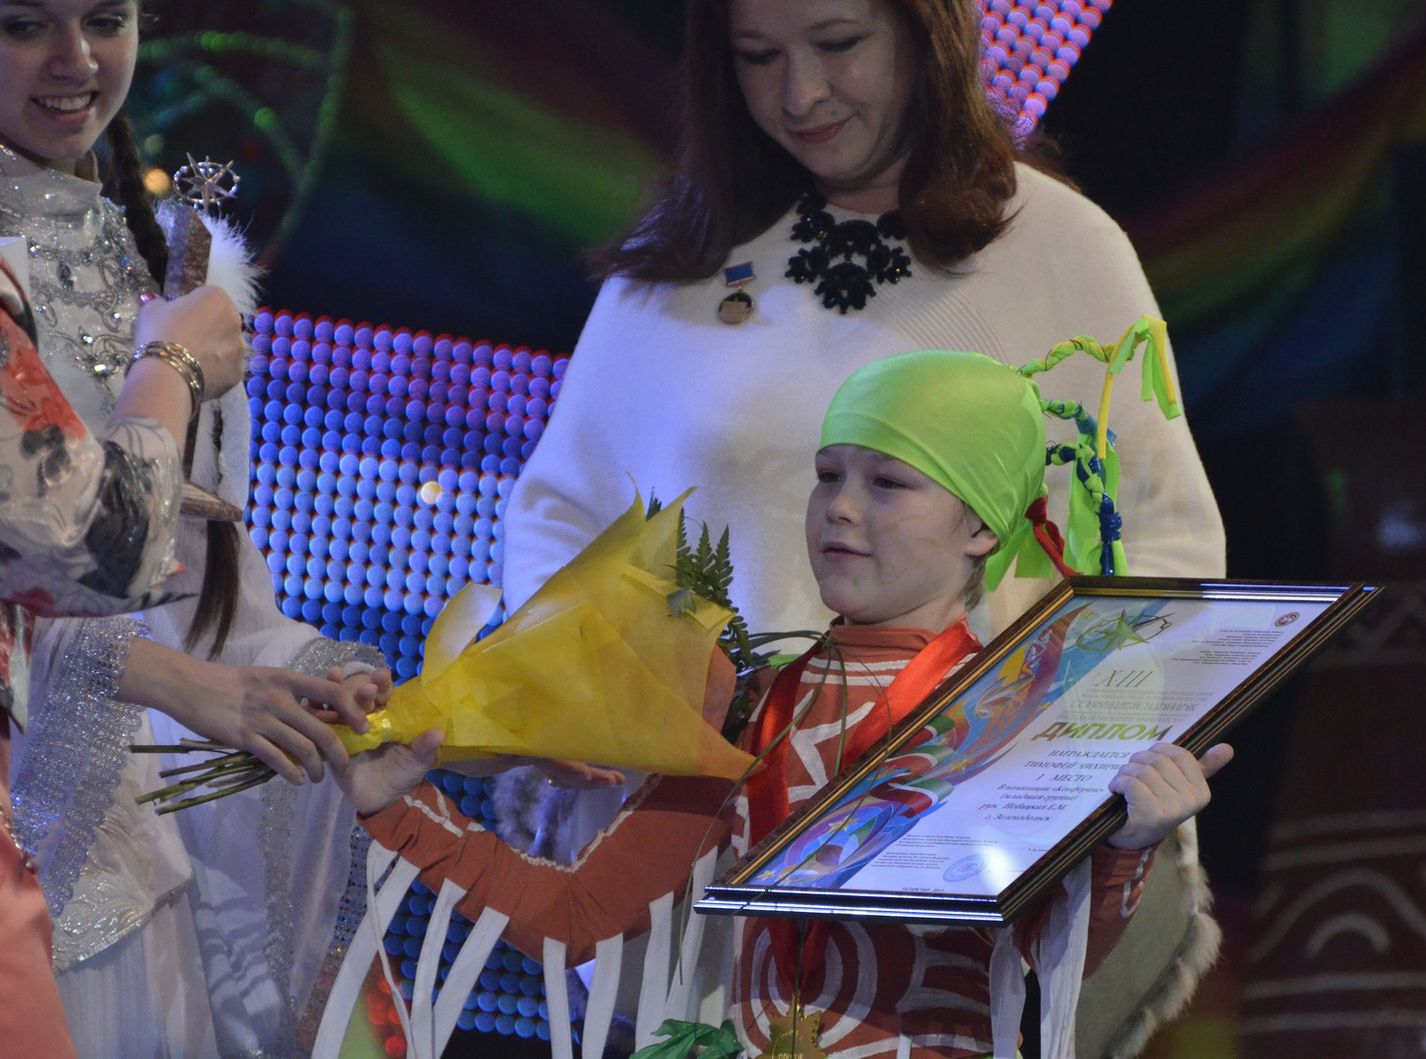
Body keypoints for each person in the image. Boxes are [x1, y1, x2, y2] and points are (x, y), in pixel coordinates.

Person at [496, 1, 1227, 1051]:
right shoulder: (682, 258)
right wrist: (596, 682)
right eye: (759, 56)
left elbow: (1162, 556)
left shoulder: (1058, 248)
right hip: (700, 860)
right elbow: (562, 514)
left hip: (958, 861)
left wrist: (1051, 771)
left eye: (837, 44)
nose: (799, 94)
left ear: (927, 34)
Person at [335, 345, 1234, 1057]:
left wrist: (1128, 846)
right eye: (827, 474)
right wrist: (398, 805)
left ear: (981, 526)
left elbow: (1054, 955)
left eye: (888, 482)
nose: (839, 506)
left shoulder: (1016, 715)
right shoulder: (753, 712)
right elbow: (580, 917)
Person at [0, 3, 389, 1054]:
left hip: (138, 881)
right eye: (26, 23)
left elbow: (208, 600)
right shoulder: (172, 329)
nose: (76, 59)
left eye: (105, 17)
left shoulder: (170, 267)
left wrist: (324, 694)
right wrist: (171, 680)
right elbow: (72, 561)